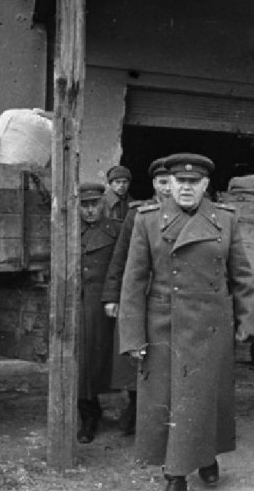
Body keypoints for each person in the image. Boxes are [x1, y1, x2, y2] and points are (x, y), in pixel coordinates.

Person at [119, 153, 254, 491]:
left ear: (205, 185)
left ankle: (207, 457)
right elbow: (133, 282)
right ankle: (175, 473)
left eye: (193, 182)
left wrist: (247, 322)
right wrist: (132, 336)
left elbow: (241, 276)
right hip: (165, 324)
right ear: (169, 184)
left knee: (206, 397)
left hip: (211, 324)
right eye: (180, 182)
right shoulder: (148, 220)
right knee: (169, 399)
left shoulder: (225, 220)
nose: (185, 188)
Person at [101, 157, 172, 435]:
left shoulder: (187, 214)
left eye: (171, 182)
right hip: (140, 295)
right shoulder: (138, 214)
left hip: (169, 297)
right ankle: (134, 412)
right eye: (162, 182)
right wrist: (112, 296)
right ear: (154, 184)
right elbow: (120, 257)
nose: (167, 188)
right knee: (136, 357)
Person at [78, 182, 122, 443]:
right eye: (84, 205)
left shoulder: (115, 230)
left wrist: (112, 297)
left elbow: (120, 267)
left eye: (94, 204)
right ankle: (88, 415)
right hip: (78, 303)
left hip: (105, 304)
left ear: (103, 204)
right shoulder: (70, 231)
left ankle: (128, 414)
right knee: (81, 363)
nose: (90, 210)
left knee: (111, 360)